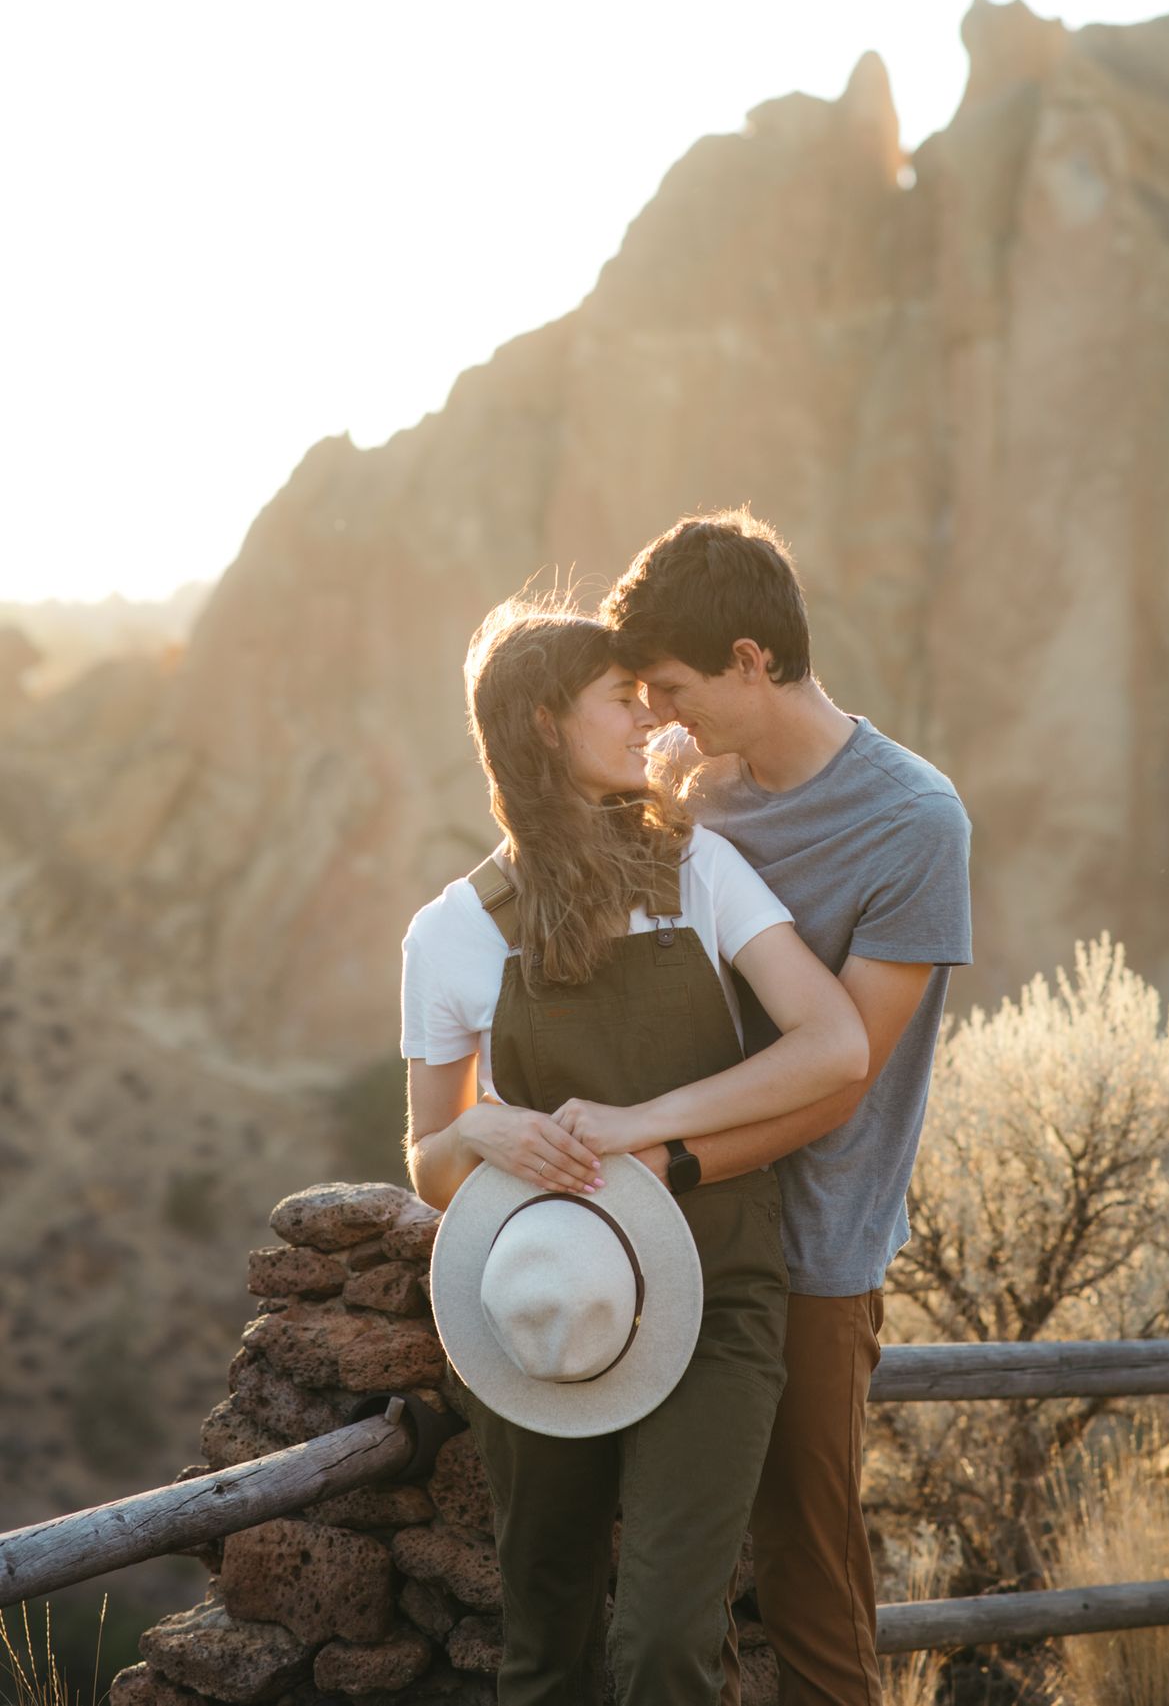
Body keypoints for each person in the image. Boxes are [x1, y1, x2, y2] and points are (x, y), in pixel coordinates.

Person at [401, 595, 868, 1706]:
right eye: (623, 699)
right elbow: (425, 1159)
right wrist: (472, 1129)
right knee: (544, 1644)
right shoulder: (447, 933)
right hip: (547, 1316)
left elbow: (833, 1043)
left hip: (716, 1296)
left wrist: (636, 1126)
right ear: (543, 726)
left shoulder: (697, 869)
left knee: (662, 1645)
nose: (650, 720)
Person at [601, 510, 973, 1706]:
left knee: (808, 1571)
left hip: (813, 1247)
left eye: (673, 687)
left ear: (751, 659)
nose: (661, 716)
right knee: (665, 1569)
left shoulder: (913, 819)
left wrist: (663, 1152)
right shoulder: (685, 791)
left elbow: (840, 1072)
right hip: (667, 1224)